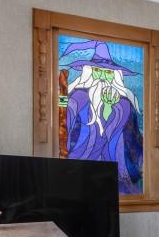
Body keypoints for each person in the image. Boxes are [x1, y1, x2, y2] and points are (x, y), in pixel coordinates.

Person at [61, 40, 143, 194]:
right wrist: (62, 95)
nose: (103, 77)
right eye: (98, 71)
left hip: (113, 169)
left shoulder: (125, 105)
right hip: (79, 167)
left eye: (109, 72)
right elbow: (62, 120)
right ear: (90, 72)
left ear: (115, 76)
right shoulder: (77, 98)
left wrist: (108, 108)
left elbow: (133, 138)